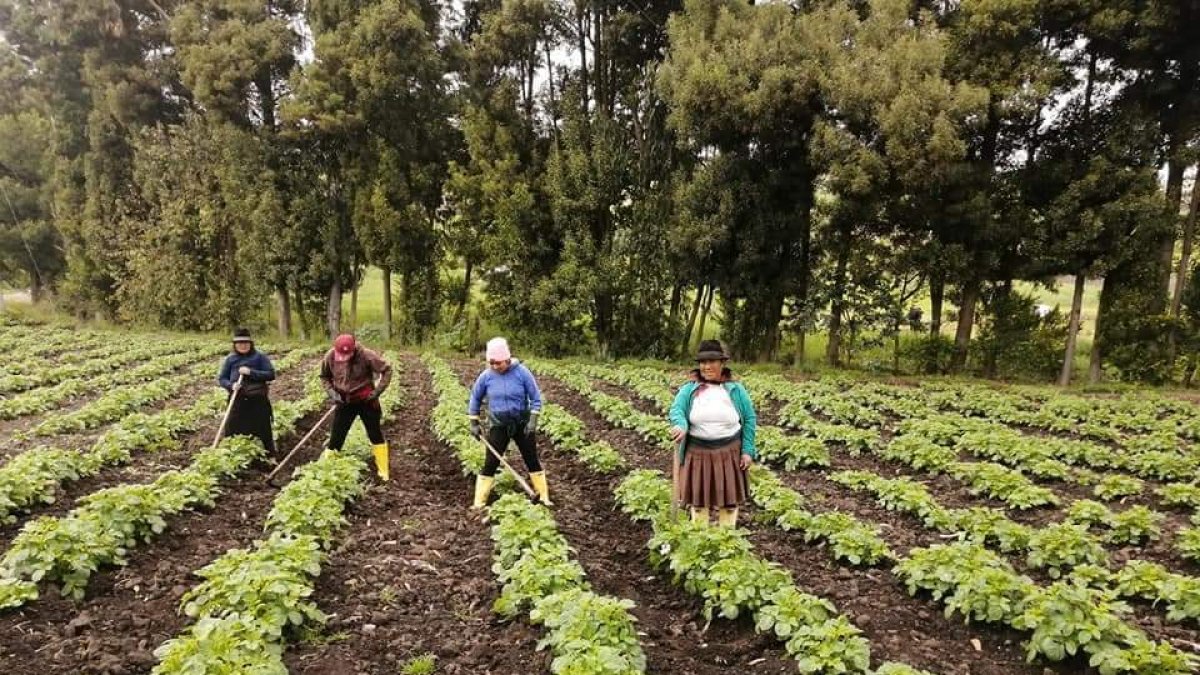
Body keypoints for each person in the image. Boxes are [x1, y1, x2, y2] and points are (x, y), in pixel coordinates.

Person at [668, 339, 757, 527]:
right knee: (699, 503)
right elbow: (677, 410)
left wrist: (748, 450)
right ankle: (700, 540)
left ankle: (726, 539)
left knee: (729, 503)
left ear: (722, 363)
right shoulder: (689, 389)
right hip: (698, 451)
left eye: (711, 362)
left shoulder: (735, 390)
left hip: (729, 451)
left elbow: (749, 419)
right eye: (702, 362)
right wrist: (681, 425)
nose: (706, 366)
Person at [467, 337, 549, 508]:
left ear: (507, 358)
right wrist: (474, 422)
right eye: (492, 363)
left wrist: (533, 420)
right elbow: (475, 397)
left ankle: (544, 498)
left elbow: (535, 398)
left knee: (531, 458)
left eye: (498, 363)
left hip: (522, 423)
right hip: (499, 424)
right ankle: (479, 502)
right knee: (490, 462)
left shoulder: (522, 373)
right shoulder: (487, 376)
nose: (495, 366)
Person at [320, 334, 393, 481]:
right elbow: (324, 377)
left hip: (366, 401)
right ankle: (324, 471)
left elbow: (387, 370)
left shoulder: (367, 355)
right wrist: (333, 393)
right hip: (344, 401)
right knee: (336, 437)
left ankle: (383, 472)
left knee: (375, 434)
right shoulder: (330, 356)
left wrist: (376, 392)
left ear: (353, 349)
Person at [217, 328, 277, 455]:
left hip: (257, 400)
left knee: (262, 429)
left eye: (245, 343)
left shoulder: (259, 357)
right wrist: (231, 385)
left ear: (251, 343)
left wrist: (251, 372)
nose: (243, 345)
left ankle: (268, 454)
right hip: (237, 400)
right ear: (235, 345)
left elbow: (271, 374)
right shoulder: (230, 359)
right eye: (239, 343)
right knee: (233, 428)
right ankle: (232, 455)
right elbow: (222, 378)